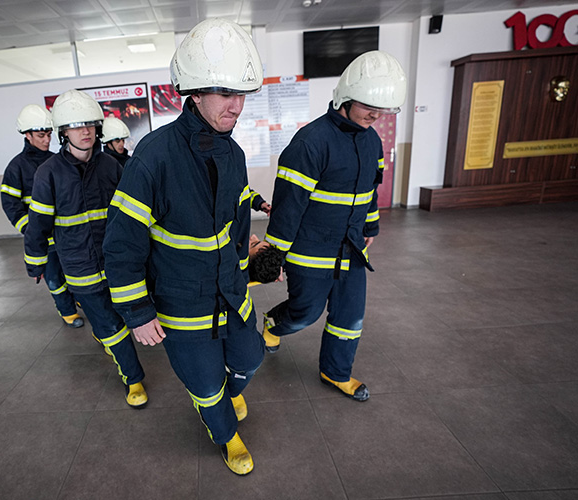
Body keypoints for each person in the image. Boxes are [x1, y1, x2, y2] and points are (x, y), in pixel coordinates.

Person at [103, 18, 265, 475]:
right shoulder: (153, 156)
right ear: (194, 93)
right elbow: (121, 245)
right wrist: (137, 312)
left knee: (250, 357)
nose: (236, 106)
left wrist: (246, 256)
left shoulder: (232, 153)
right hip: (181, 300)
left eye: (241, 94)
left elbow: (234, 215)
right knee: (204, 383)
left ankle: (229, 398)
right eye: (225, 94)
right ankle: (225, 435)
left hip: (231, 291)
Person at [262, 50, 407, 402]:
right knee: (304, 313)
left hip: (351, 248)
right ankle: (272, 323)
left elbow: (371, 189)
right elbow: (288, 205)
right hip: (310, 249)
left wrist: (369, 228)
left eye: (382, 108)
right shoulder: (310, 142)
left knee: (349, 318)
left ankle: (335, 372)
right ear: (344, 97)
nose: (375, 114)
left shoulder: (372, 140)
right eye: (368, 105)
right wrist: (275, 253)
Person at [23, 90, 148, 408]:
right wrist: (35, 261)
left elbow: (131, 211)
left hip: (118, 261)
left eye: (90, 124)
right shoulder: (47, 173)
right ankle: (133, 379)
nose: (86, 131)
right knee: (109, 324)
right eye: (77, 126)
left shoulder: (111, 166)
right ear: (63, 131)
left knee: (131, 313)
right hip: (80, 265)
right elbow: (38, 223)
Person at [1, 104, 84, 328]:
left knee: (73, 271)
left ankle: (78, 299)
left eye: (48, 134)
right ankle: (67, 311)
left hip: (65, 233)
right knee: (54, 277)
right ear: (27, 135)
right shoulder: (15, 167)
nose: (47, 140)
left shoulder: (57, 161)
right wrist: (30, 229)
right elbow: (10, 204)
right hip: (42, 238)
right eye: (40, 135)